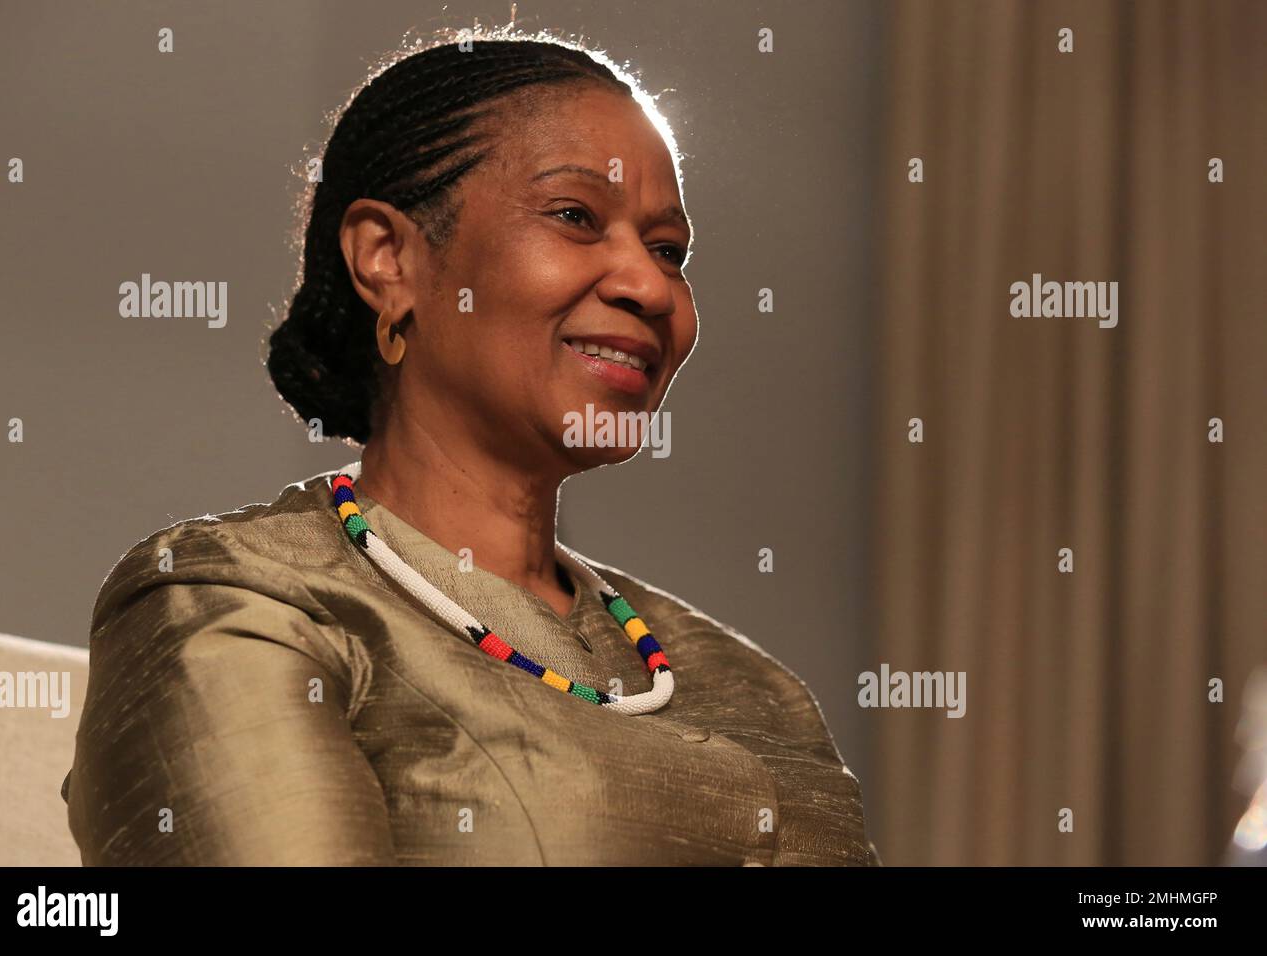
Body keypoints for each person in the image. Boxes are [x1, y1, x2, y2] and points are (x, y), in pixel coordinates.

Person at [62, 30, 881, 866]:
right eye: (575, 217)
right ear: (389, 258)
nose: (648, 286)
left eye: (669, 251)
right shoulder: (244, 600)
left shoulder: (750, 682)